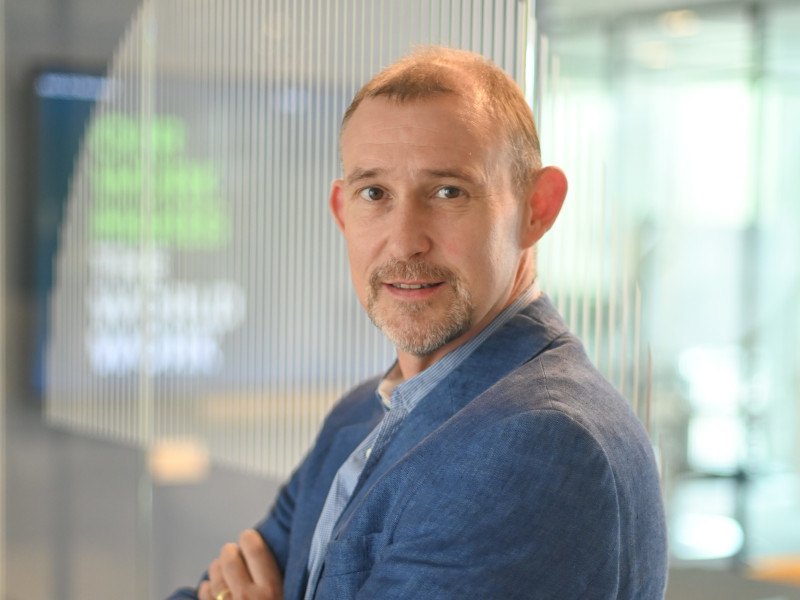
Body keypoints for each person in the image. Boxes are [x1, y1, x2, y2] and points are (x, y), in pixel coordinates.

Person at [170, 46, 668, 600]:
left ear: (537, 208)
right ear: (342, 211)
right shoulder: (360, 415)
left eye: (448, 192)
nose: (405, 241)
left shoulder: (537, 441)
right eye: (374, 194)